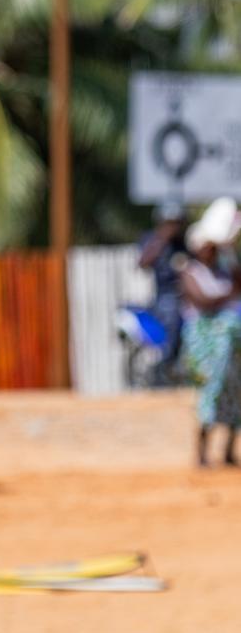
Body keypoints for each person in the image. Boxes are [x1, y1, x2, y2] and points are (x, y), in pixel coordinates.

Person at [180, 199, 241, 467]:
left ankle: (228, 451)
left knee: (235, 391)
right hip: (206, 345)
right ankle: (202, 453)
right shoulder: (190, 272)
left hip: (231, 345)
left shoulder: (224, 271)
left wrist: (229, 250)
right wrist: (229, 296)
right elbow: (204, 302)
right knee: (211, 390)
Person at [138, 203, 188, 384]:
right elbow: (143, 263)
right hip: (165, 296)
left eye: (177, 222)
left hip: (187, 294)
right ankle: (167, 364)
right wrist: (161, 240)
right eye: (170, 222)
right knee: (173, 315)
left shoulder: (183, 243)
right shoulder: (152, 239)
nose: (174, 226)